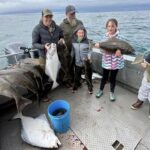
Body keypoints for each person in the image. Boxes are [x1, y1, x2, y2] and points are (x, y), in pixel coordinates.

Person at [95, 18, 124, 101]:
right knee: (104, 77)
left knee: (113, 78)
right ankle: (101, 90)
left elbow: (124, 49)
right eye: (108, 26)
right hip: (106, 62)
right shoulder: (104, 37)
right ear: (106, 27)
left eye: (112, 26)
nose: (110, 28)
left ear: (116, 27)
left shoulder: (121, 37)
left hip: (116, 62)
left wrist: (120, 51)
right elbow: (101, 50)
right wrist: (99, 47)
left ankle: (112, 92)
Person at [60, 5, 84, 86]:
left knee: (78, 66)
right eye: (71, 14)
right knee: (69, 67)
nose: (73, 15)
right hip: (68, 51)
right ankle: (69, 81)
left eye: (74, 13)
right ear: (66, 14)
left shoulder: (80, 23)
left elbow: (84, 34)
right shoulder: (62, 25)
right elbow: (59, 38)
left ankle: (78, 79)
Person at [71, 25, 93, 94]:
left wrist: (89, 57)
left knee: (88, 76)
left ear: (84, 33)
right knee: (76, 76)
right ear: (76, 33)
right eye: (79, 33)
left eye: (82, 33)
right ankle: (75, 87)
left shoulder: (87, 41)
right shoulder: (73, 41)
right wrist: (70, 58)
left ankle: (90, 88)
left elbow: (90, 50)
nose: (81, 34)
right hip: (77, 62)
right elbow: (72, 51)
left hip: (86, 62)